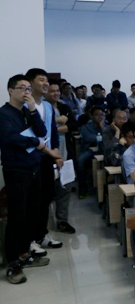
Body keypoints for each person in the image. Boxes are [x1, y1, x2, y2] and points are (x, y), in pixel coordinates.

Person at [0, 74, 51, 284]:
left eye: (29, 88)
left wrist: (32, 110)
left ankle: (24, 254)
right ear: (10, 90)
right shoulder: (4, 114)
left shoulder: (27, 111)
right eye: (22, 88)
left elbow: (42, 131)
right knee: (17, 217)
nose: (27, 92)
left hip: (34, 168)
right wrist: (36, 143)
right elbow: (10, 137)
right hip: (16, 170)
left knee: (32, 213)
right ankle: (12, 264)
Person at [25, 69, 65, 255]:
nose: (46, 83)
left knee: (46, 197)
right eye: (41, 80)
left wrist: (56, 154)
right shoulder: (24, 106)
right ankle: (30, 240)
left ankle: (41, 235)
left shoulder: (48, 106)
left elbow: (53, 132)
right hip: (31, 158)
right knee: (33, 200)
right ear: (31, 83)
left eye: (47, 80)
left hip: (47, 158)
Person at [45, 80, 77, 234]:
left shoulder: (64, 107)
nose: (56, 93)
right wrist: (57, 122)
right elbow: (42, 129)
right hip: (47, 155)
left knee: (65, 188)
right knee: (47, 191)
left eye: (57, 91)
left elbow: (73, 125)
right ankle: (43, 226)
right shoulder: (42, 108)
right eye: (52, 91)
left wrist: (57, 128)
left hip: (66, 153)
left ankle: (62, 221)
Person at [77, 106, 106, 198]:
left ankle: (103, 191)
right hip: (90, 150)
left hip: (104, 150)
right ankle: (83, 189)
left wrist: (102, 127)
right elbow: (88, 138)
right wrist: (102, 138)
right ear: (92, 116)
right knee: (81, 161)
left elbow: (110, 138)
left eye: (101, 114)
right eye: (97, 115)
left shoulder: (107, 125)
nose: (100, 117)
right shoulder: (85, 127)